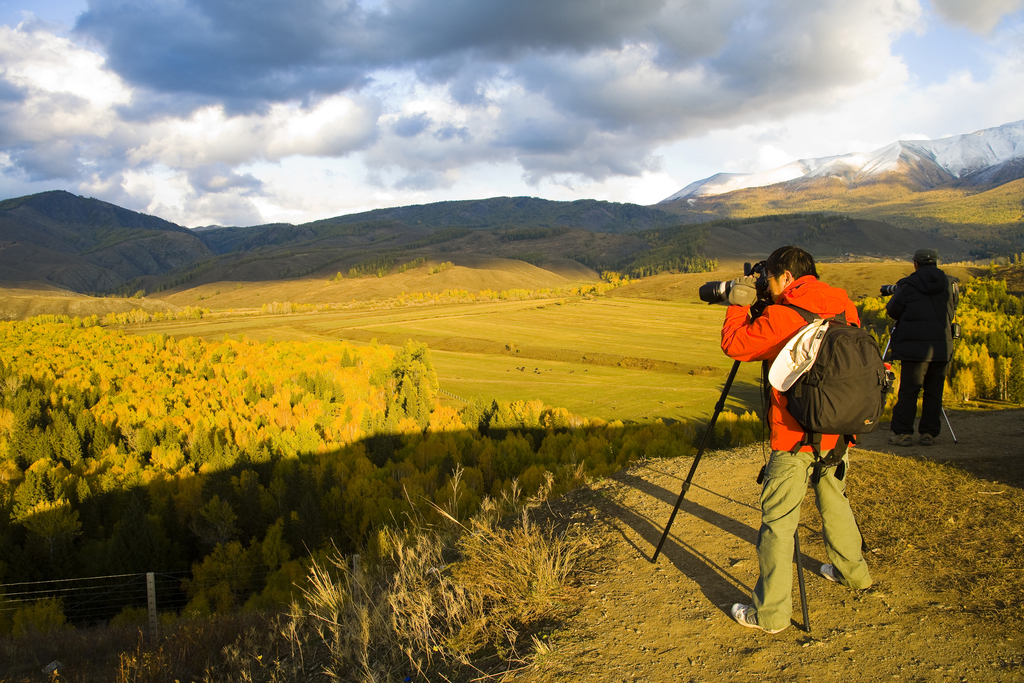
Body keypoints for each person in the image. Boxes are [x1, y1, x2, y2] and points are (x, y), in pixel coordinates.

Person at [720, 245, 872, 634]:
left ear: (786, 277)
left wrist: (739, 305)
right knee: (834, 499)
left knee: (778, 522)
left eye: (769, 280)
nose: (766, 287)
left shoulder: (785, 314)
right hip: (838, 430)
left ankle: (770, 614)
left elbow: (736, 345)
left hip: (793, 435)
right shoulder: (844, 306)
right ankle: (853, 573)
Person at [885, 248, 958, 447]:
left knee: (909, 390)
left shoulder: (908, 284)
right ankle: (929, 434)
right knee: (934, 391)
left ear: (915, 264)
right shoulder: (949, 284)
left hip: (915, 348)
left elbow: (893, 311)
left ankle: (903, 433)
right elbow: (952, 310)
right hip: (942, 346)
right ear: (935, 263)